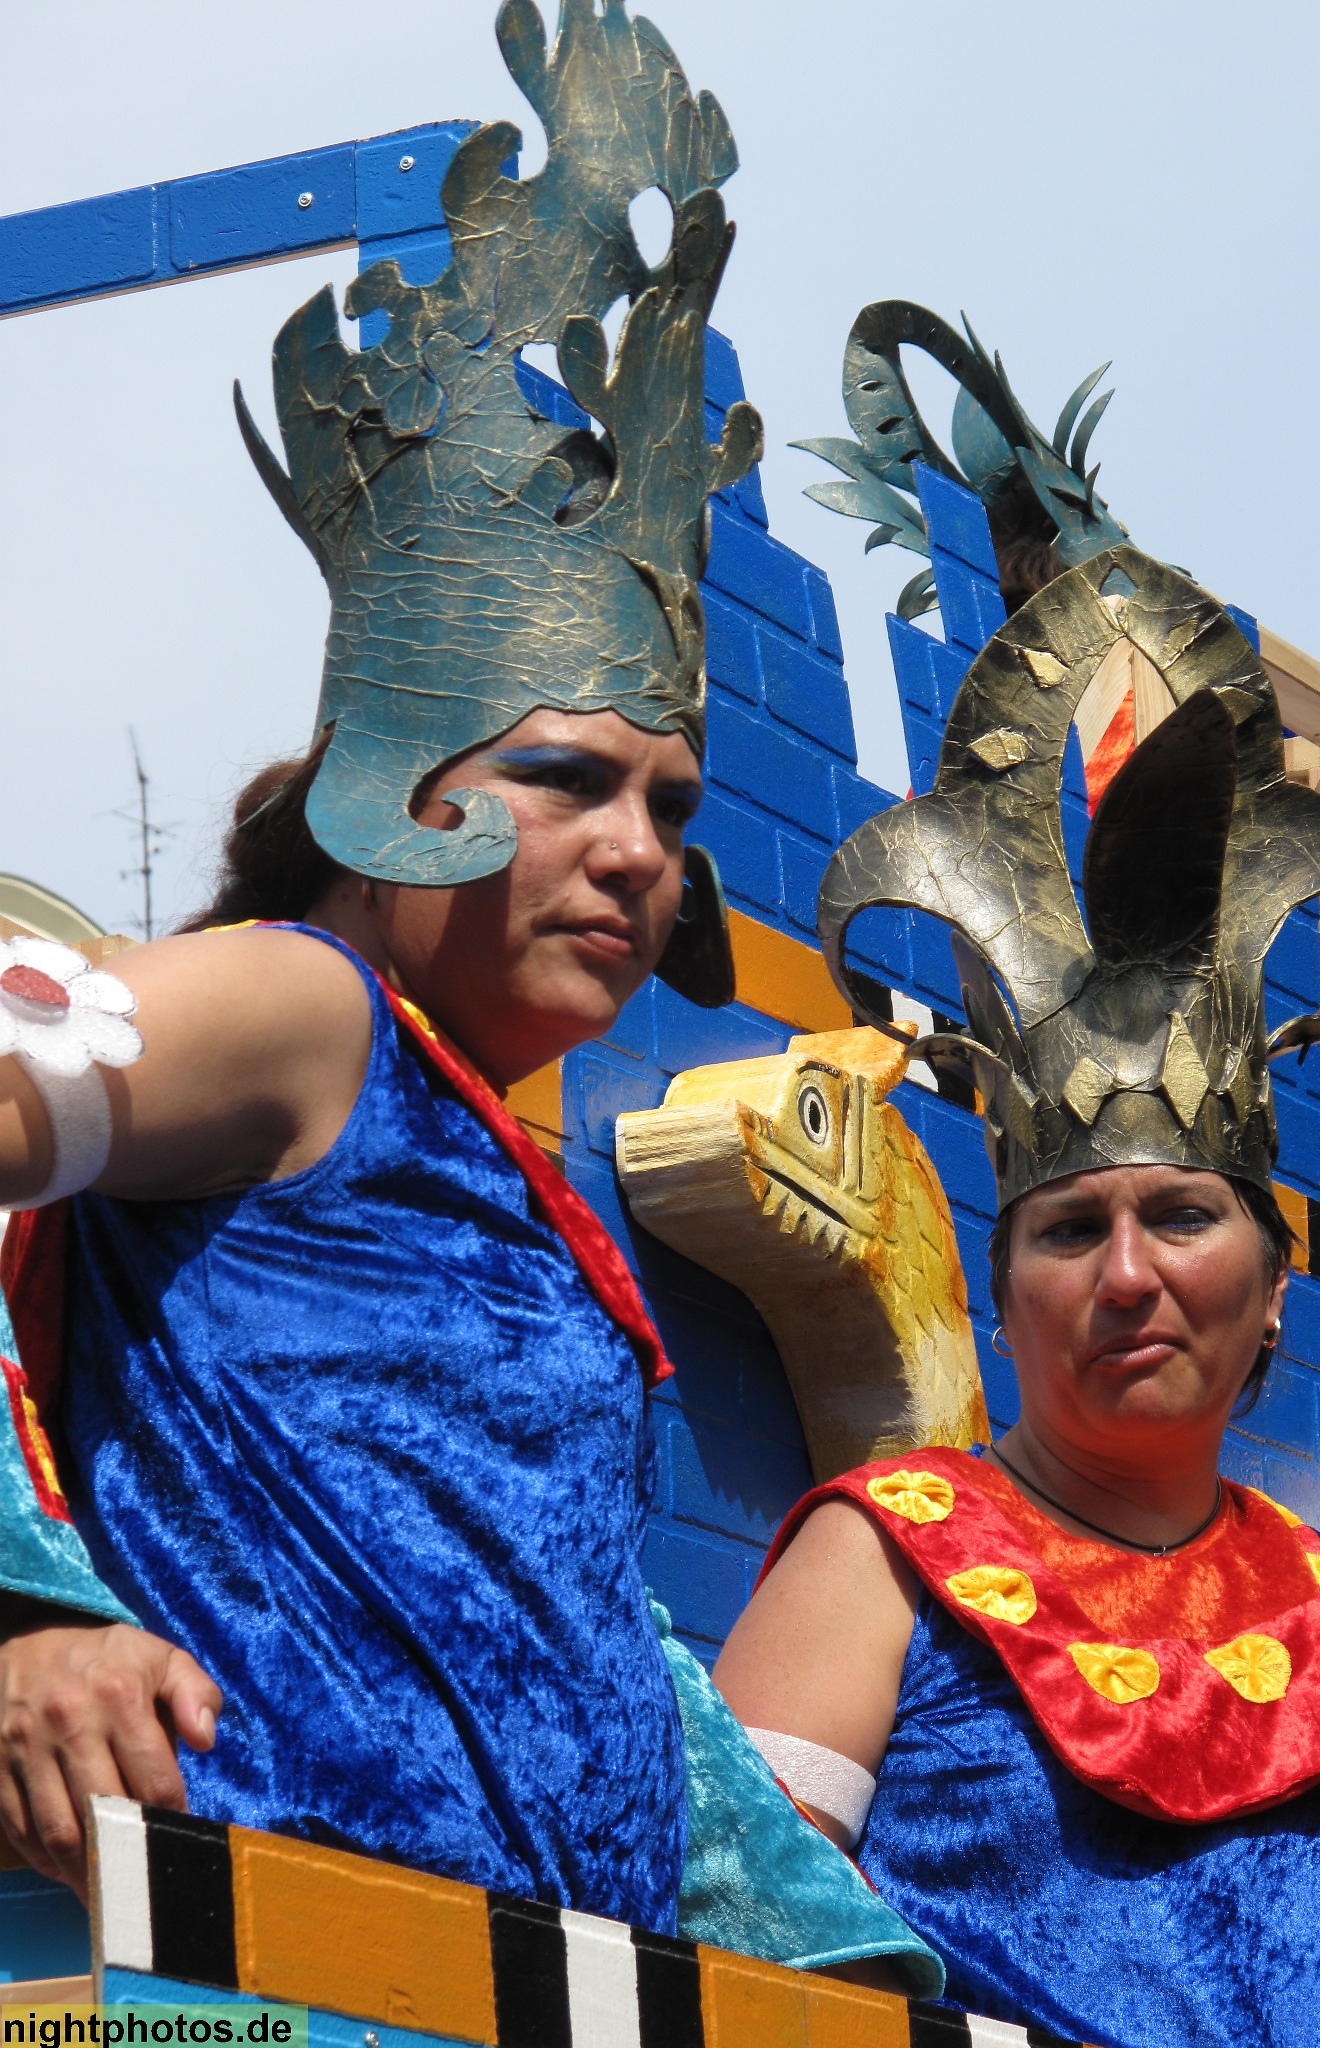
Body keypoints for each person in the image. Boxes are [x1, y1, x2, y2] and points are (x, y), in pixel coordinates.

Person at [0, 0, 755, 1928]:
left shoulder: (498, 1155)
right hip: (235, 1993)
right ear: (401, 788)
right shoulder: (307, 1011)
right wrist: (17, 1612)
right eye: (567, 779)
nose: (636, 851)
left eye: (668, 806)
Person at [712, 540, 1320, 2046]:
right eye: (1070, 1230)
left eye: (1181, 1216)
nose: (1130, 1272)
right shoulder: (881, 1558)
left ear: (1275, 1291)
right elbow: (739, 1958)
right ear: (1005, 1294)